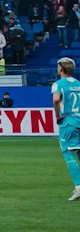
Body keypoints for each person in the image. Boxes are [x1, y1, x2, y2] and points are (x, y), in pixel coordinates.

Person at [52, 57, 80, 201]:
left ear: (61, 69)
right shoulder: (78, 84)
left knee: (68, 153)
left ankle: (78, 187)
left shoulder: (58, 84)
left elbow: (56, 99)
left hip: (68, 123)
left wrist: (58, 116)